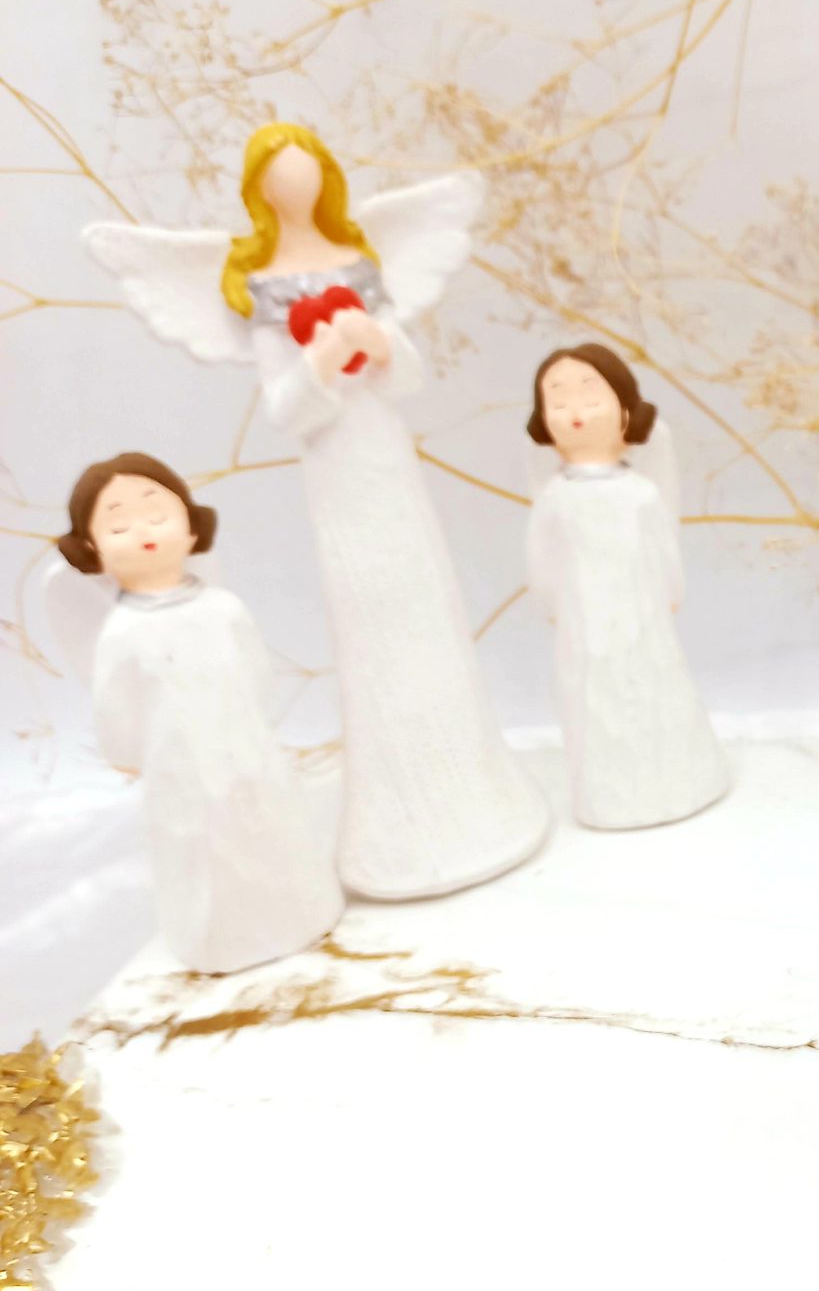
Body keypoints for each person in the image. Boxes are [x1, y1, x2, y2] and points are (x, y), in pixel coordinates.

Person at [85, 125, 548, 898]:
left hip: (389, 462)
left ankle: (477, 792)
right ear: (261, 189)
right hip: (337, 475)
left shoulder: (359, 259)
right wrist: (323, 364)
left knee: (427, 606)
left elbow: (408, 378)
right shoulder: (260, 283)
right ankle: (400, 820)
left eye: (308, 170)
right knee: (373, 624)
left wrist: (381, 344)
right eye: (281, 174)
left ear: (326, 177)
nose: (296, 184)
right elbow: (286, 410)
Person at [59, 453, 342, 972]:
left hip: (246, 749)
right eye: (118, 526)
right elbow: (116, 708)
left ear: (192, 528)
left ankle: (300, 912)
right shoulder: (122, 633)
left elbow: (258, 673)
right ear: (92, 551)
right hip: (178, 767)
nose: (143, 530)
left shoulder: (224, 609)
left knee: (268, 827)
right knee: (202, 848)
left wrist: (249, 725)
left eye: (157, 514)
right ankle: (219, 938)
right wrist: (132, 754)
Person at [526, 342, 727, 829]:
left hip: (641, 616)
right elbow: (542, 556)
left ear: (624, 412)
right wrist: (551, 602)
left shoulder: (639, 493)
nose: (575, 411)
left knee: (653, 689)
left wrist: (670, 592)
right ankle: (611, 797)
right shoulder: (556, 496)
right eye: (558, 401)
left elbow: (664, 549)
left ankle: (681, 781)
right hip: (585, 622)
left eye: (591, 397)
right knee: (598, 702)